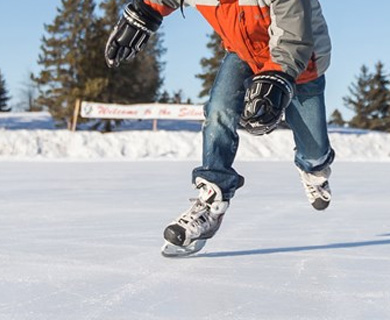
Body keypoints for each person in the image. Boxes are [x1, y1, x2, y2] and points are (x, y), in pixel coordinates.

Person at [105, 0, 335, 257]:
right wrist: (144, 12)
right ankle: (212, 200)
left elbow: (294, 36)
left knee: (314, 151)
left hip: (301, 63)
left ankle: (314, 171)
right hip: (243, 53)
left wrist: (278, 76)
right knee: (218, 110)